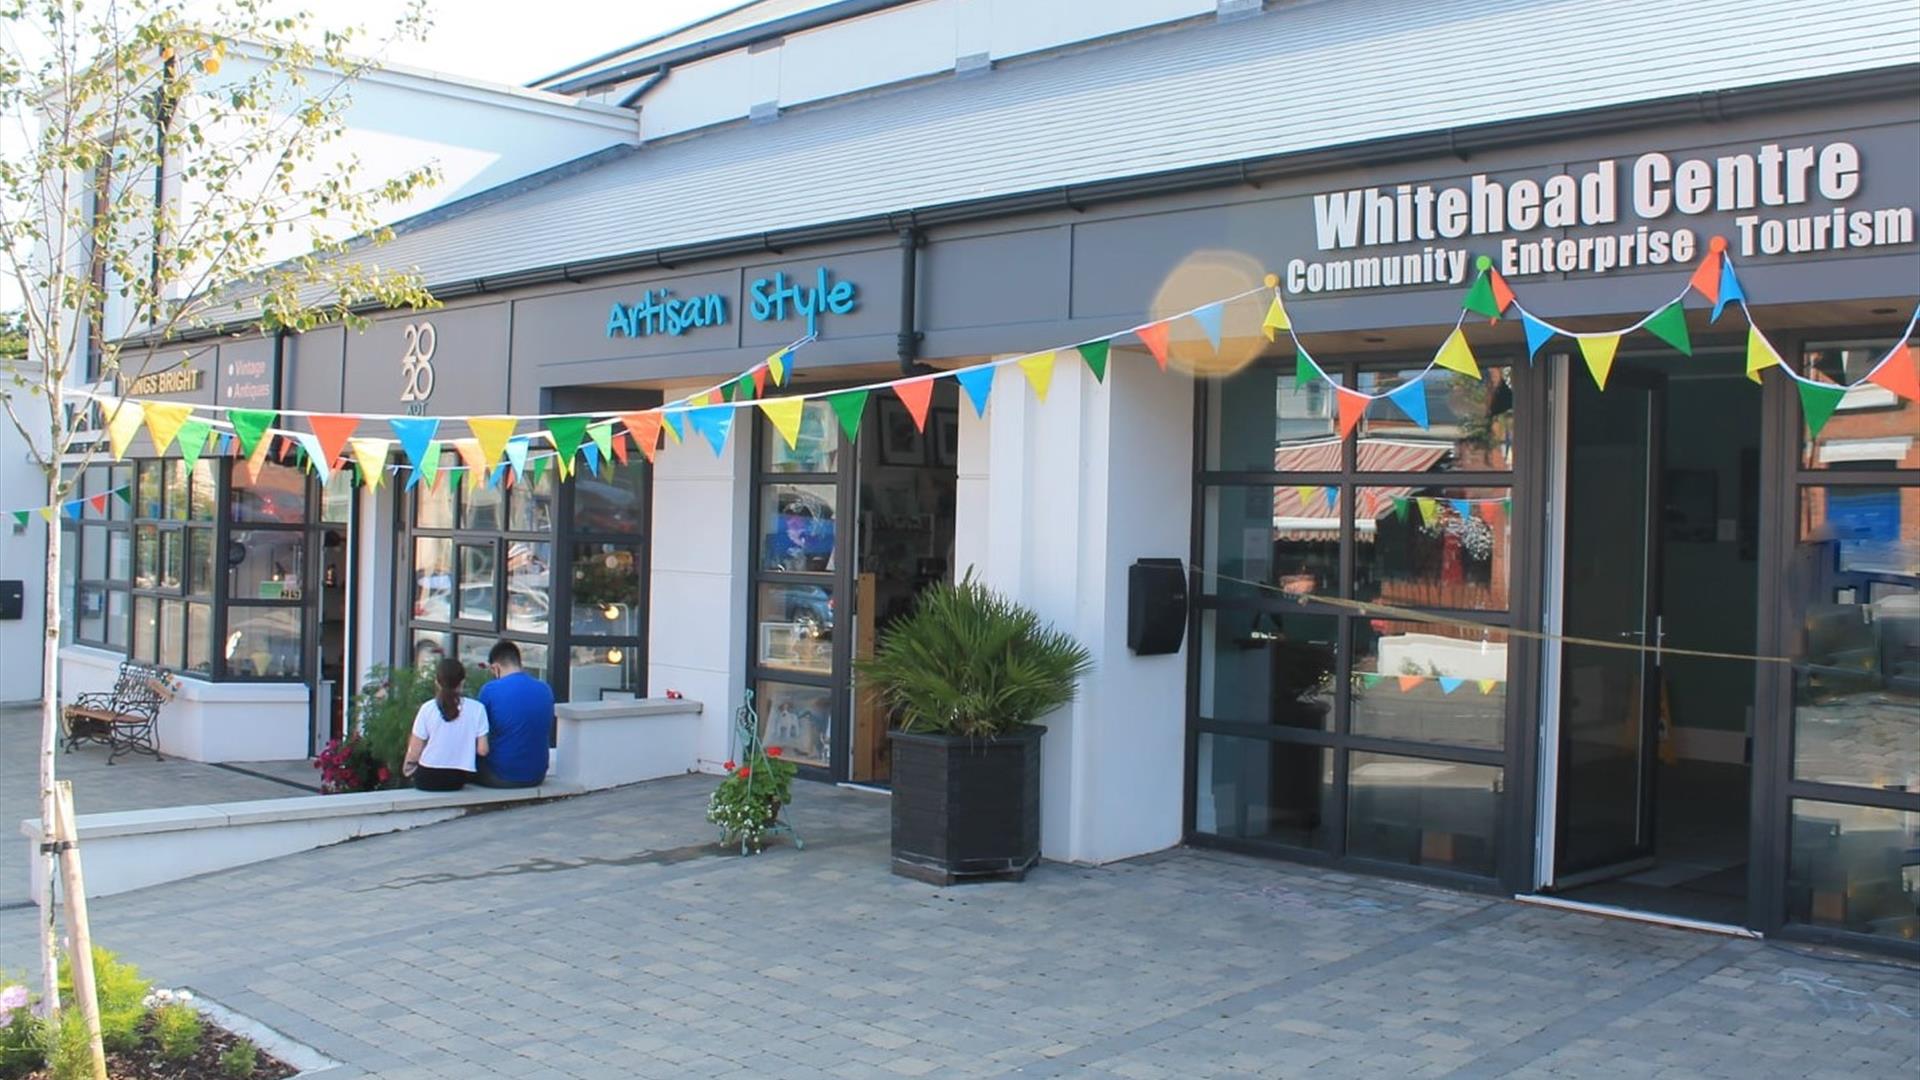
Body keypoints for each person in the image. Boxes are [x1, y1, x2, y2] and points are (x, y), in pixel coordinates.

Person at [476, 640, 554, 788]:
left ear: (496, 668)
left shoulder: (490, 690)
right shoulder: (545, 689)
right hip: (537, 775)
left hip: (502, 775)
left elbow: (478, 732)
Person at [404, 658, 489, 792]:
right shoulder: (478, 709)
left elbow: (414, 751)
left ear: (437, 682)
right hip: (457, 779)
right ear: (462, 682)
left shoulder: (427, 708)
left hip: (426, 778)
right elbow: (482, 750)